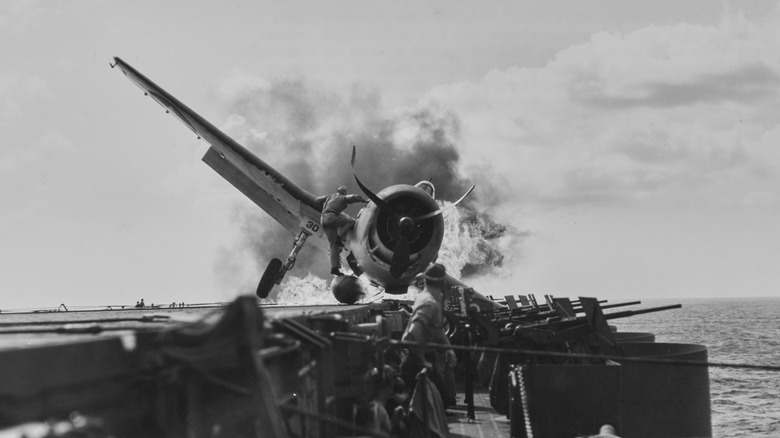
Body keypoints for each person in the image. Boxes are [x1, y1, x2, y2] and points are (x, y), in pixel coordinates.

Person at [400, 263, 457, 408]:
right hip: (417, 360)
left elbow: (437, 329)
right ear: (443, 282)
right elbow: (414, 332)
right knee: (436, 402)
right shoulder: (429, 303)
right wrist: (422, 360)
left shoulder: (430, 299)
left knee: (437, 402)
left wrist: (448, 349)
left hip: (424, 356)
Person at [315, 185, 367, 275]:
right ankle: (339, 237)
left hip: (323, 219)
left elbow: (317, 200)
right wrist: (365, 201)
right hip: (331, 217)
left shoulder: (330, 196)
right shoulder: (342, 197)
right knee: (350, 221)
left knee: (334, 245)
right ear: (344, 192)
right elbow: (354, 197)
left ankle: (334, 268)